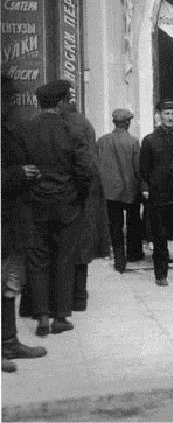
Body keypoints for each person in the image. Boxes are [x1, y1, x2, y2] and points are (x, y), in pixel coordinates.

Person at [22, 80, 93, 336]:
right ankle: (61, 317)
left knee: (38, 259)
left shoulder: (25, 130)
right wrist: (78, 195)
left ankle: (41, 316)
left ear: (39, 104)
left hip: (36, 204)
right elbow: (86, 171)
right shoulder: (72, 131)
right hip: (67, 204)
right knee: (65, 258)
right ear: (62, 102)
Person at [1, 75, 48, 372]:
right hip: (5, 221)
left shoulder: (7, 128)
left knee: (9, 284)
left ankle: (8, 342)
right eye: (6, 99)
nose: (10, 105)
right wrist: (19, 173)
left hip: (13, 220)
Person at [61, 96, 111, 312]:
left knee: (71, 246)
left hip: (75, 193)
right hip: (86, 193)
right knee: (82, 245)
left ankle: (72, 297)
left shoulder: (69, 124)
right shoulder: (84, 123)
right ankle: (79, 296)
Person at [140, 99, 173, 285]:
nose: (170, 117)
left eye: (172, 114)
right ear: (159, 116)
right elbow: (144, 169)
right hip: (160, 196)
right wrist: (155, 185)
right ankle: (161, 275)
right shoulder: (149, 141)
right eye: (166, 114)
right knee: (160, 237)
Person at [97, 108, 143, 273]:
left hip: (110, 191)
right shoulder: (133, 142)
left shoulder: (102, 141)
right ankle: (133, 253)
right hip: (130, 188)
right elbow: (138, 168)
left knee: (115, 226)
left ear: (114, 122)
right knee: (132, 223)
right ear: (128, 123)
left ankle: (119, 260)